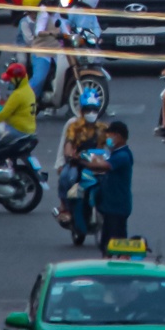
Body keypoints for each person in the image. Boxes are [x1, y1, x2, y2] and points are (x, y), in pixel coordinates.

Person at [55, 91, 109, 229]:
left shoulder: (103, 128)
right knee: (67, 177)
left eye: (94, 109)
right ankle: (65, 207)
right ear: (81, 110)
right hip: (77, 161)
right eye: (88, 109)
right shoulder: (74, 126)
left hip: (94, 163)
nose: (91, 112)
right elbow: (68, 143)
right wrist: (69, 157)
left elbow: (107, 145)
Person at [82, 121, 135, 250]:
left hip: (117, 207)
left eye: (110, 136)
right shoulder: (116, 154)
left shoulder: (122, 156)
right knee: (106, 244)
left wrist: (81, 162)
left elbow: (103, 166)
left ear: (119, 136)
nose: (108, 139)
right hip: (112, 206)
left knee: (115, 244)